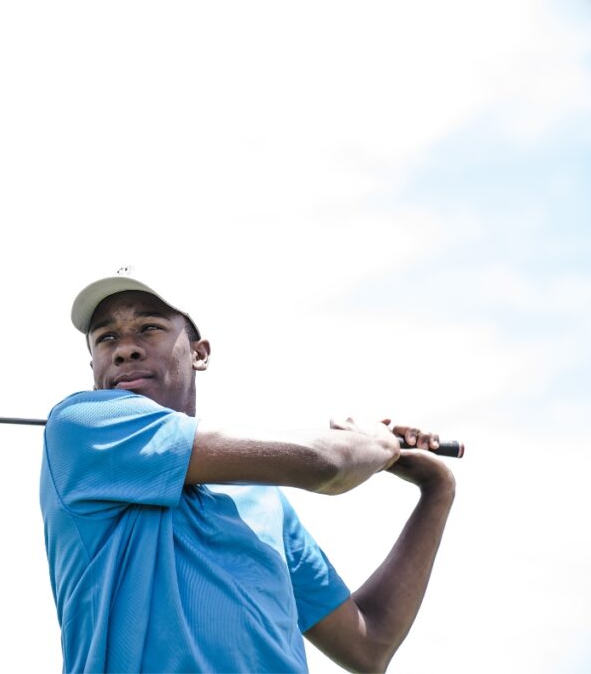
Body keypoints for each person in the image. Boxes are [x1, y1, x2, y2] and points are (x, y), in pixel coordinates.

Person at [40, 271, 456, 673]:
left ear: (199, 353)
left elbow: (369, 646)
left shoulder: (263, 498)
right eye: (106, 337)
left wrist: (437, 490)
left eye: (149, 328)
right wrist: (373, 442)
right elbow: (330, 464)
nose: (125, 348)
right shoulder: (82, 427)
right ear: (93, 367)